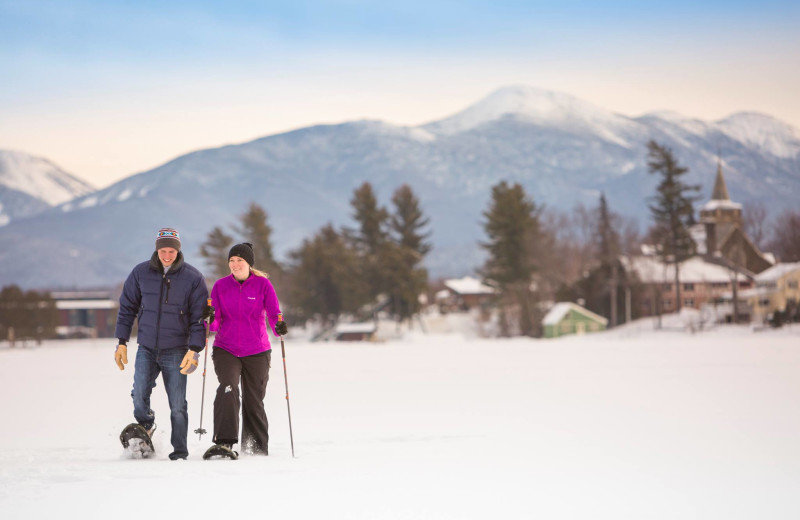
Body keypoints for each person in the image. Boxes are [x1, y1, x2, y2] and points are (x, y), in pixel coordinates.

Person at [113, 227, 209, 460]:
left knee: (177, 405)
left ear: (179, 250)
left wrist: (194, 349)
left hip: (176, 349)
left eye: (172, 251)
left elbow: (199, 318)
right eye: (163, 251)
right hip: (146, 347)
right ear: (157, 250)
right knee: (138, 395)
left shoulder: (193, 278)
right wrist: (122, 342)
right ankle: (146, 425)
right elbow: (127, 309)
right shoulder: (140, 273)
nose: (167, 255)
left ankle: (179, 451)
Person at [205, 242, 288, 457]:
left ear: (249, 264)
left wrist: (279, 328)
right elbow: (214, 323)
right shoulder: (220, 286)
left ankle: (255, 447)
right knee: (228, 388)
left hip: (257, 350)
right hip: (226, 348)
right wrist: (210, 320)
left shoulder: (263, 285)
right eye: (231, 260)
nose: (234, 264)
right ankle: (224, 443)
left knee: (254, 400)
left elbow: (274, 314)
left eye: (239, 260)